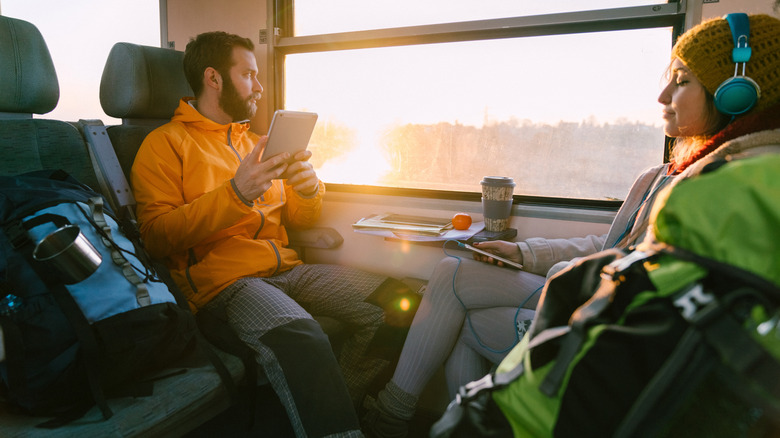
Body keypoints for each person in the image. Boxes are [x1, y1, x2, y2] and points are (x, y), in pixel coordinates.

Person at [362, 13, 780, 438]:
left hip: (608, 311)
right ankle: (400, 416)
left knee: (463, 314)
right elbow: (614, 244)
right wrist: (525, 253)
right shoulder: (661, 175)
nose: (662, 95)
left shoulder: (729, 189)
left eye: (681, 80)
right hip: (597, 290)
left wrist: (565, 277)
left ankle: (391, 418)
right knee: (453, 273)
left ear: (734, 94)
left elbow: (643, 276)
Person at [130, 31, 417, 438]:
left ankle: (348, 415)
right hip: (227, 284)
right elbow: (156, 237)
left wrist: (307, 187)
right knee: (302, 338)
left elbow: (298, 218)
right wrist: (235, 194)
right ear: (214, 78)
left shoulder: (255, 143)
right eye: (248, 75)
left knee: (402, 303)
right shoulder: (165, 145)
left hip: (286, 270)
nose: (260, 87)